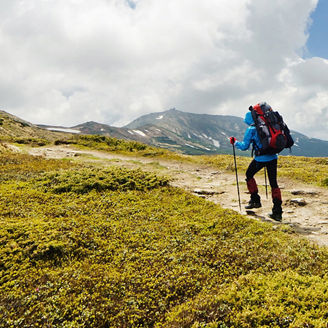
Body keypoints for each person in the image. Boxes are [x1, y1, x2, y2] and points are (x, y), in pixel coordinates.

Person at [230, 104, 283, 221]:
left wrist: (235, 142)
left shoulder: (251, 129)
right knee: (274, 183)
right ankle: (277, 212)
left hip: (260, 159)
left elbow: (244, 147)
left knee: (249, 175)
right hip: (273, 157)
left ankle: (255, 200)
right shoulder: (269, 125)